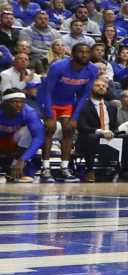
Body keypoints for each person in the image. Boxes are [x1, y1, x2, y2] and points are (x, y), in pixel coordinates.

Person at [36, 39, 99, 181]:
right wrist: (48, 112)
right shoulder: (58, 66)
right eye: (81, 52)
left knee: (69, 129)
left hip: (68, 102)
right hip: (49, 99)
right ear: (73, 54)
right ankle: (45, 168)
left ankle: (64, 168)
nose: (84, 55)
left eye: (87, 52)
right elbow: (47, 91)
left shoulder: (93, 69)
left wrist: (75, 117)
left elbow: (84, 95)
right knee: (50, 128)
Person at [75, 76, 120, 181]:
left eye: (104, 86)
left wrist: (113, 132)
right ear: (90, 88)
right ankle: (90, 170)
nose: (101, 87)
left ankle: (125, 170)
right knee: (92, 137)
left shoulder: (112, 106)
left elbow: (115, 126)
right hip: (89, 138)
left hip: (109, 137)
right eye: (97, 85)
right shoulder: (82, 105)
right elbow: (82, 126)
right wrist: (101, 131)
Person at [0, 90, 43, 182]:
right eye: (15, 102)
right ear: (5, 103)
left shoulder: (29, 112)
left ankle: (17, 165)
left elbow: (38, 138)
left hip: (15, 142)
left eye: (22, 102)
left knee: (29, 130)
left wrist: (23, 159)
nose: (19, 105)